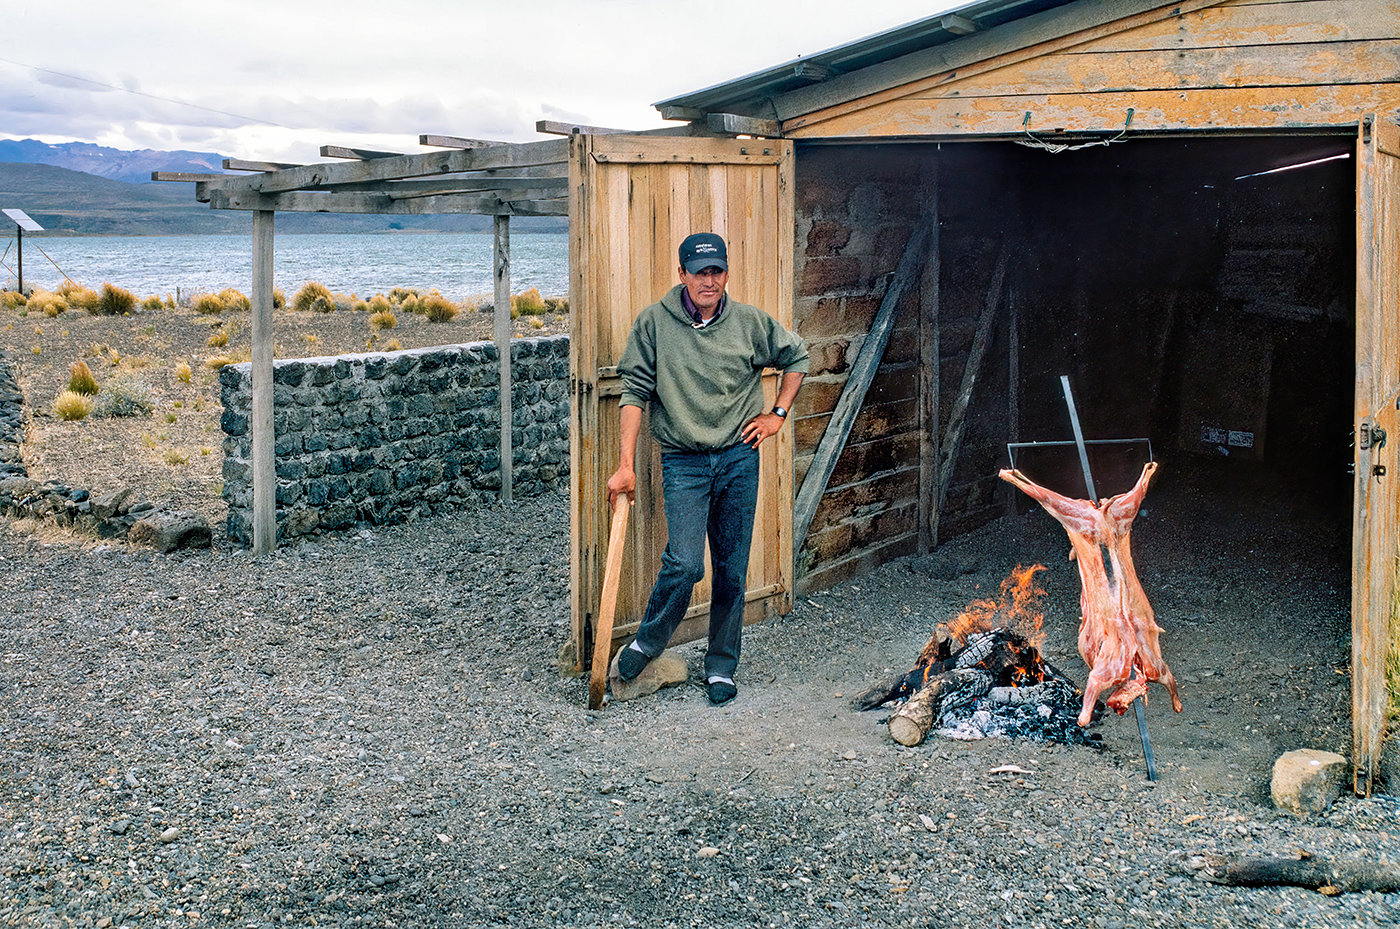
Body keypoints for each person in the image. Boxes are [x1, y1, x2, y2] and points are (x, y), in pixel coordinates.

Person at [606, 232, 808, 705]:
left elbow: (796, 356)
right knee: (686, 563)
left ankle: (721, 667)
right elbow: (634, 392)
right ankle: (647, 642)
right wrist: (625, 466)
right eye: (700, 272)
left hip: (739, 457)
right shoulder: (655, 324)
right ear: (682, 275)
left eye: (717, 271)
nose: (709, 280)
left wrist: (777, 414)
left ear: (726, 274)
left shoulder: (749, 323)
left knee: (733, 571)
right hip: (684, 462)